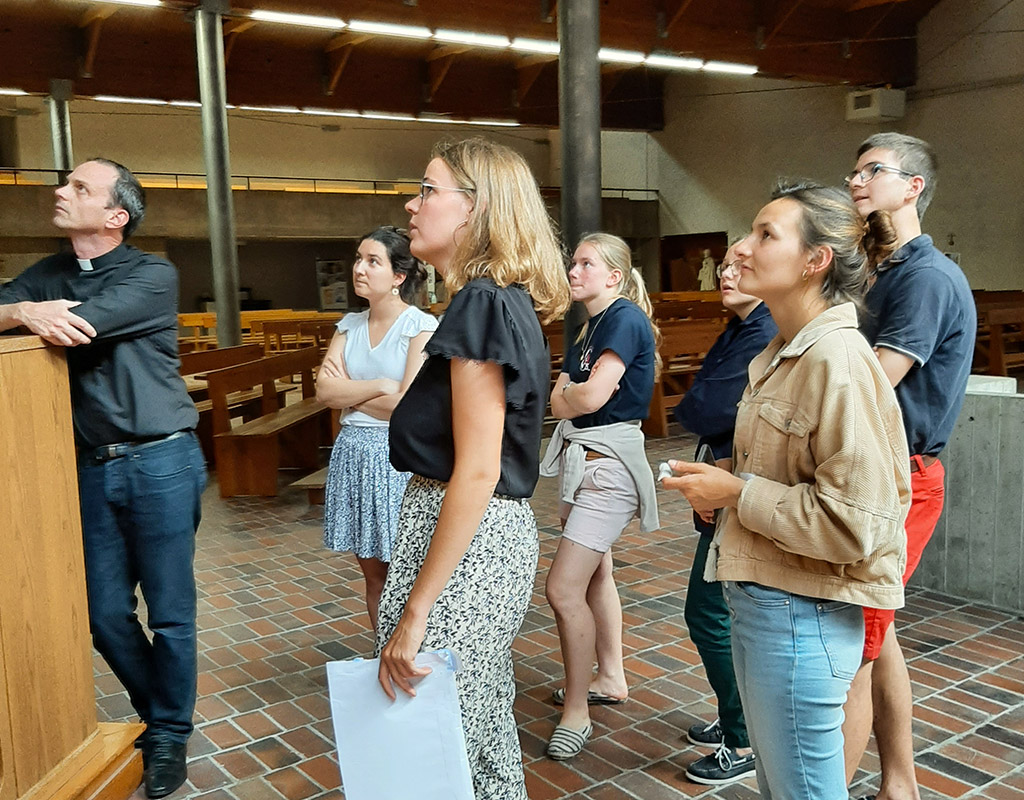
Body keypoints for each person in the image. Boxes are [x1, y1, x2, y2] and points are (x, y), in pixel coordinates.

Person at [663, 180, 912, 800]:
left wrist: (736, 492)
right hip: (771, 602)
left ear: (814, 260)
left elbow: (856, 522)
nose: (740, 249)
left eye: (765, 234)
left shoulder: (836, 360)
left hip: (803, 614)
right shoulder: (784, 352)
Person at [0, 159, 205, 799]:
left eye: (79, 188)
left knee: (170, 613)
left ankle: (167, 732)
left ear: (117, 216)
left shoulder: (152, 273)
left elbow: (84, 324)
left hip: (161, 458)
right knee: (102, 611)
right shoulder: (48, 276)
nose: (60, 192)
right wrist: (28, 309)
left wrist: (27, 312)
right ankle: (163, 715)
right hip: (88, 466)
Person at [375, 138, 570, 799]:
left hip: (471, 538)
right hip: (474, 535)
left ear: (476, 208)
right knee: (477, 741)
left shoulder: (484, 302)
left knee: (432, 750)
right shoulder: (494, 299)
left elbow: (480, 470)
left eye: (429, 189)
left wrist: (416, 610)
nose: (412, 202)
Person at [841, 134, 976, 800]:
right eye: (855, 171)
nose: (857, 181)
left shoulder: (923, 276)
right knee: (876, 634)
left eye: (874, 171)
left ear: (913, 185)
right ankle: (900, 783)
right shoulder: (890, 272)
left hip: (900, 480)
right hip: (881, 475)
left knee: (852, 655)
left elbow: (874, 383)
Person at [537, 232, 659, 760]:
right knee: (596, 572)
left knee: (562, 589)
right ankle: (609, 676)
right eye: (574, 262)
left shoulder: (625, 318)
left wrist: (567, 397)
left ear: (614, 275)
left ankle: (578, 711)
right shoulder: (590, 325)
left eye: (587, 263)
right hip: (582, 458)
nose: (574, 270)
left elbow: (584, 395)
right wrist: (567, 397)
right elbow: (561, 394)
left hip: (608, 465)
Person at [672, 243, 777, 785]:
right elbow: (697, 402)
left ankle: (743, 739)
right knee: (717, 614)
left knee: (709, 615)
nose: (728, 273)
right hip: (724, 479)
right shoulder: (741, 329)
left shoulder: (763, 332)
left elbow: (705, 407)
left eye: (743, 263)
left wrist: (700, 406)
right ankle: (740, 724)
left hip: (741, 488)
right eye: (727, 265)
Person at [316, 226, 436, 631]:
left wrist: (348, 393)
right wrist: (381, 387)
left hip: (397, 458)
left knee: (408, 571)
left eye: (373, 261)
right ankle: (383, 653)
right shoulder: (349, 325)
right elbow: (323, 391)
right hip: (353, 455)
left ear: (399, 276)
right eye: (358, 259)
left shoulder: (418, 326)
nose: (359, 269)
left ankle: (418, 659)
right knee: (373, 574)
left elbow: (409, 406)